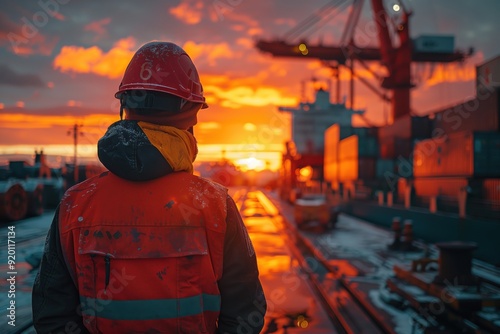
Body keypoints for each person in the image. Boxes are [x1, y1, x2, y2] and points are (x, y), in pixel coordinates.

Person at [32, 41, 266, 334]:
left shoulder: (75, 204)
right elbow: (247, 311)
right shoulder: (215, 205)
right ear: (191, 116)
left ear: (124, 108)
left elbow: (50, 314)